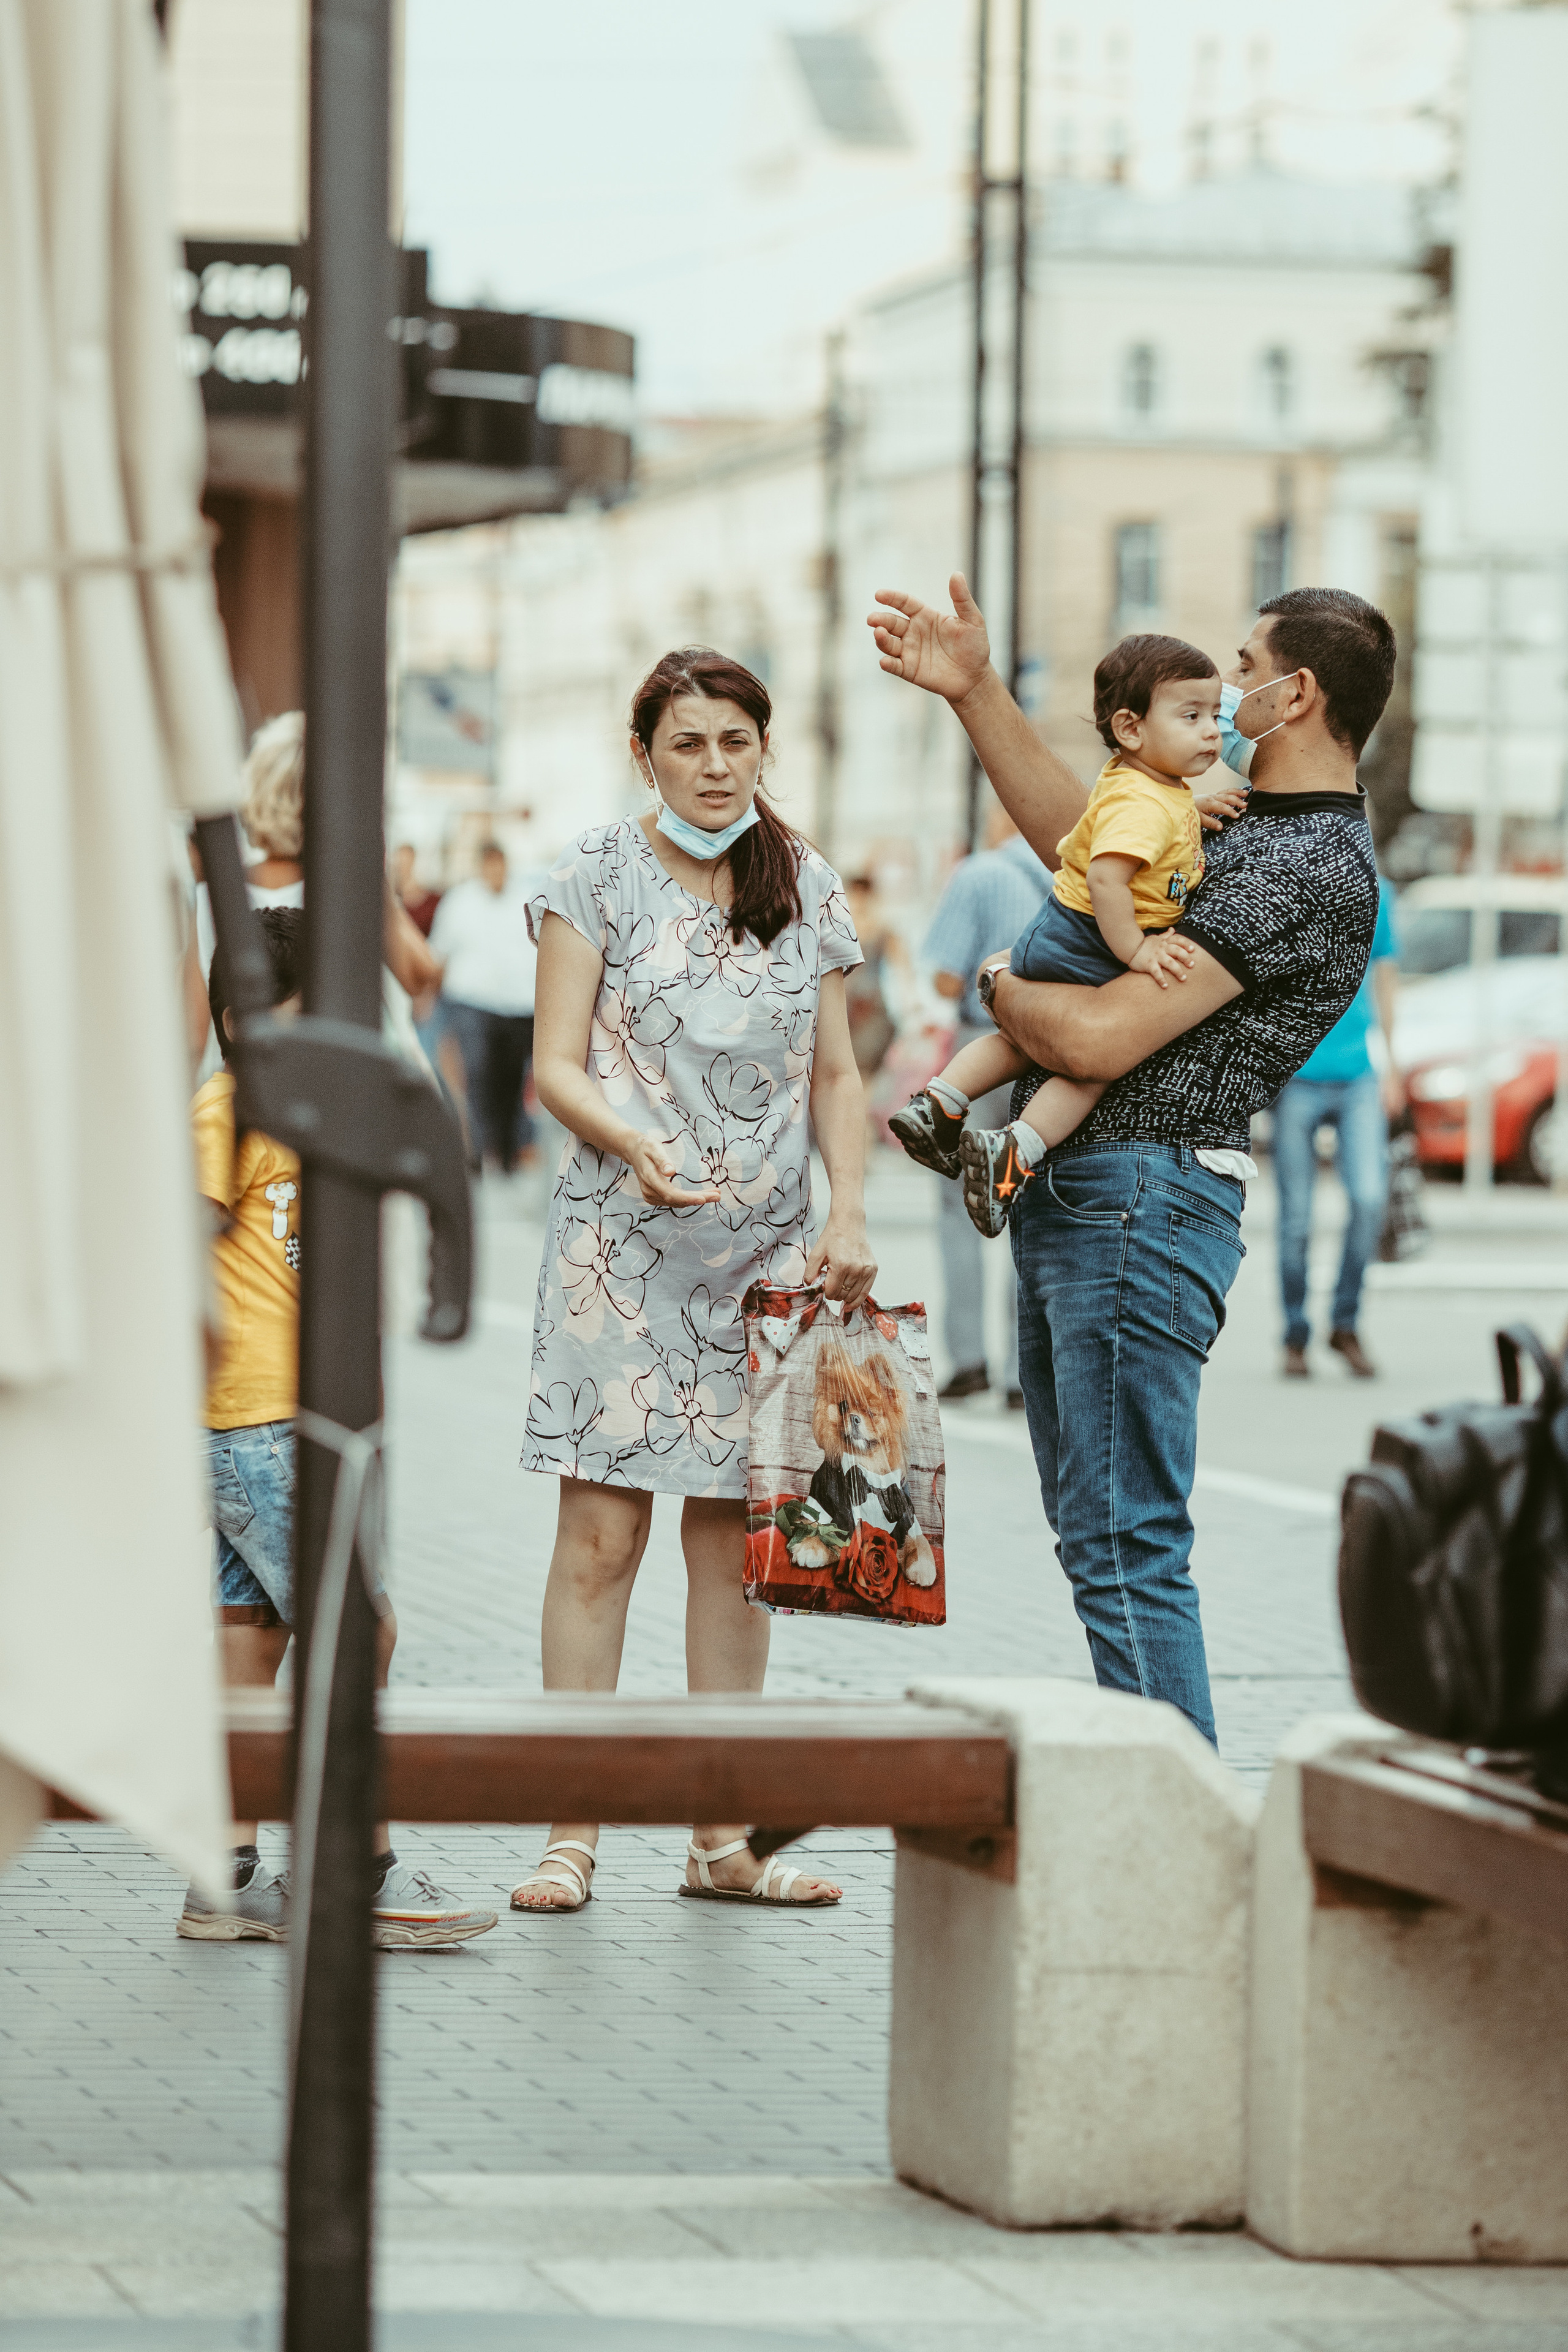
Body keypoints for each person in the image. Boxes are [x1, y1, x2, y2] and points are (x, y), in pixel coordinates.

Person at [868, 575, 1392, 1745]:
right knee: (1099, 1533)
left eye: (1245, 669)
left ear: (1295, 693)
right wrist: (976, 693)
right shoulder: (1250, 823)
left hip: (1145, 1201)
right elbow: (1094, 852)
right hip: (1100, 1195)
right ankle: (1173, 1821)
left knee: (1126, 1540)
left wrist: (997, 986)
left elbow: (1102, 1034)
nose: (1225, 690)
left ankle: (1186, 1841)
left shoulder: (1308, 866)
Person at [512, 646, 873, 1912]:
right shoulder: (591, 876)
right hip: (617, 1253)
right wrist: (628, 1139)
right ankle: (570, 1834)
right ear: (645, 753)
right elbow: (554, 1066)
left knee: (734, 1554)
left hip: (765, 1261)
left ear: (762, 749)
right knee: (600, 1542)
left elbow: (836, 1074)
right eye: (689, 744)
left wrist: (851, 1211)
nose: (714, 766)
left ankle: (724, 1841)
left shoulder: (805, 882)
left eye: (735, 742)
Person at [176, 908, 496, 1948]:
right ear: (247, 1019)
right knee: (362, 1623)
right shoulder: (227, 1112)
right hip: (258, 1419)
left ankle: (222, 1879)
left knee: (252, 1637)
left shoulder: (294, 1112)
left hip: (259, 1420)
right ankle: (364, 1866)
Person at [891, 637, 1246, 1237]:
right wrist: (1135, 948)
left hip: (1061, 930)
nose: (1211, 732)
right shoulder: (1146, 805)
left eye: (1213, 716)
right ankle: (1017, 1149)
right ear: (1130, 729)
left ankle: (941, 1102)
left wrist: (1192, 810)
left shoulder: (1148, 787)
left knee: (1020, 1038)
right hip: (1091, 939)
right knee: (1094, 1062)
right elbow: (1108, 877)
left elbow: (1145, 814)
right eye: (1191, 717)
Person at [917, 802, 1050, 1405]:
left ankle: (969, 1360)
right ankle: (1025, 1370)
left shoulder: (979, 874)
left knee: (960, 1206)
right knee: (1030, 1207)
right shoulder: (1075, 875)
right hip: (1055, 1056)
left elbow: (946, 978)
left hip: (984, 1049)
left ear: (1003, 815)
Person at [1275, 875, 1401, 1379]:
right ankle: (1295, 1333)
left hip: (1359, 1077)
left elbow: (1386, 976)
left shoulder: (1377, 890)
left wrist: (1393, 1064)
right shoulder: (1295, 884)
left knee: (1370, 1199)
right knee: (1298, 1218)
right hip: (1298, 1077)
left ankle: (1345, 1324)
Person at [429, 842, 538, 1173]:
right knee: (476, 1073)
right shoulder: (460, 902)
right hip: (472, 1002)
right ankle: (477, 1149)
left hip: (519, 1006)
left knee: (512, 1079)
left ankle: (507, 1151)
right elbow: (439, 953)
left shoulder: (528, 899)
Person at [842, 873, 907, 1082]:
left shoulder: (882, 931)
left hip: (871, 1008)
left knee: (866, 1071)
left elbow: (904, 968)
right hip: (844, 1007)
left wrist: (912, 1007)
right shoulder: (839, 929)